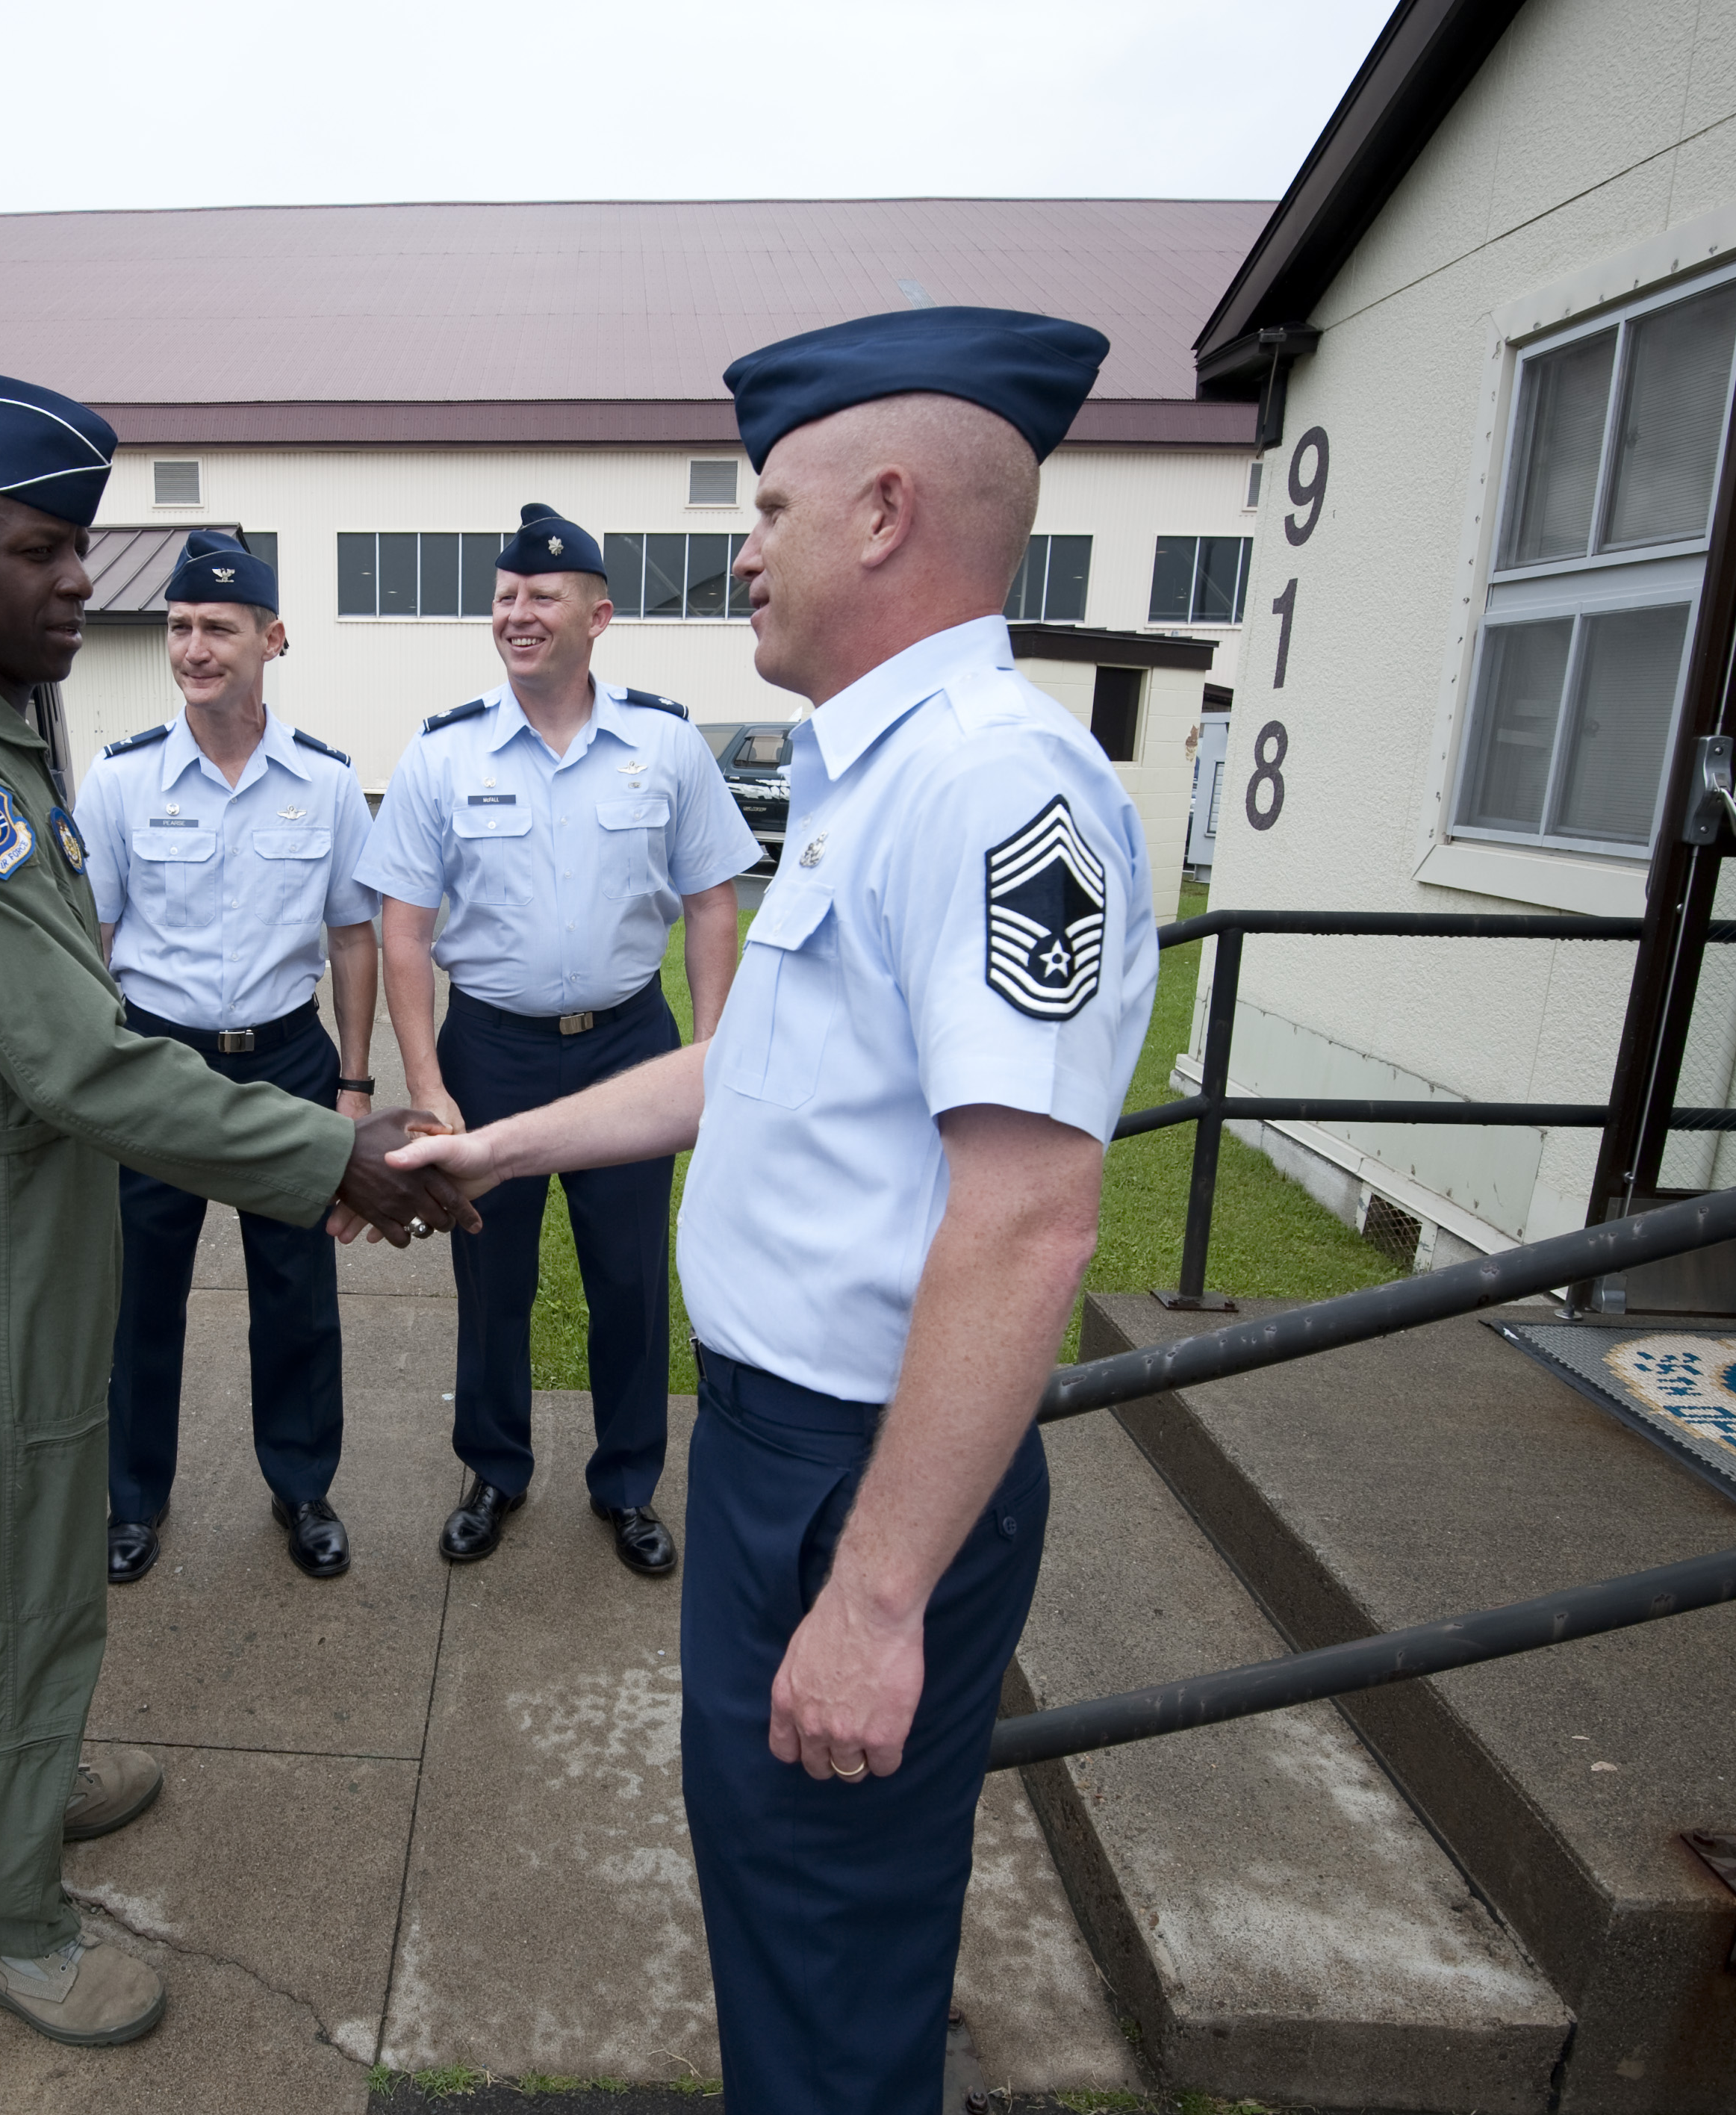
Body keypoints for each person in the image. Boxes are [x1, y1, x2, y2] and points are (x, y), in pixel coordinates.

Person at [388, 309, 1156, 2115]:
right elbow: (748, 1070)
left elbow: (1031, 1218)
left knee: (827, 1938)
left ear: (884, 513)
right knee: (780, 1901)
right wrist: (493, 1151)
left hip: (855, 1478)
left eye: (769, 504)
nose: (741, 549)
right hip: (773, 1457)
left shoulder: (989, 785)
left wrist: (878, 1599)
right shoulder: (865, 773)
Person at [0, 370, 475, 2052]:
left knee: (44, 1525)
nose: (76, 586)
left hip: (24, 1209)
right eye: (41, 550)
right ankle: (0, 1909)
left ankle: (25, 1779)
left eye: (79, 550)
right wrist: (332, 1155)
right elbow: (82, 1061)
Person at [355, 503, 759, 1577]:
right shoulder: (444, 755)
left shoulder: (666, 745)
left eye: (540, 597)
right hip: (494, 1049)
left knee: (630, 1279)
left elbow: (714, 902)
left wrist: (710, 1057)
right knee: (494, 1276)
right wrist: (427, 1082)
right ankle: (494, 1468)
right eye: (503, 598)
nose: (516, 614)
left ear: (598, 615)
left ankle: (627, 1483)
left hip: (632, 1042)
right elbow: (403, 926)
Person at [78, 531, 381, 1584]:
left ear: (272, 637)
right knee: (139, 1291)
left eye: (218, 627)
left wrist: (352, 1080)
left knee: (296, 1289)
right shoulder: (116, 783)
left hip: (288, 1058)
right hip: (157, 1062)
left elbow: (353, 935)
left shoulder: (330, 785)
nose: (195, 648)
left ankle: (303, 1489)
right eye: (179, 628)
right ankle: (130, 1501)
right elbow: (93, 943)